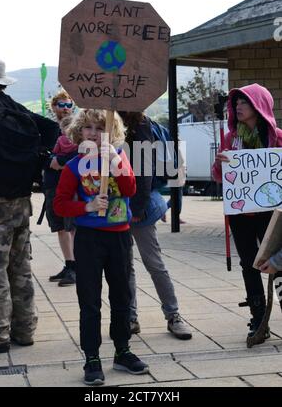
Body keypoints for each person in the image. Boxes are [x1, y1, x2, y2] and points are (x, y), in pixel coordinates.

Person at [53, 109, 149, 386]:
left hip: (119, 236)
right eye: (88, 128)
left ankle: (123, 350)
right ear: (79, 132)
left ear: (111, 133)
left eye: (100, 128)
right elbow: (59, 204)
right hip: (88, 239)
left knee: (121, 296)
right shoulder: (74, 166)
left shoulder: (119, 159)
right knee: (90, 301)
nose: (94, 133)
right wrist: (86, 205)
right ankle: (92, 357)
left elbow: (130, 190)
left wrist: (115, 160)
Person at [0, 57, 59, 353]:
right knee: (20, 266)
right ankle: (25, 329)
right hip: (21, 201)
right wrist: (37, 158)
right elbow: (52, 129)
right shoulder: (14, 107)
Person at [212, 83, 282, 342]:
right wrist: (219, 165)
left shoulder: (277, 137)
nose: (238, 106)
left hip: (271, 213)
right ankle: (258, 317)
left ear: (259, 106)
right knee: (249, 264)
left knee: (277, 261)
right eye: (236, 103)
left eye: (244, 102)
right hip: (240, 215)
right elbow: (219, 177)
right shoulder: (230, 139)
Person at [119, 112, 192, 340]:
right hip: (116, 204)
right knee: (125, 265)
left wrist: (138, 209)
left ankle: (172, 315)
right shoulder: (111, 117)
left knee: (152, 262)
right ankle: (131, 317)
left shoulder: (138, 123)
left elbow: (144, 169)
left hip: (134, 206)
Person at [43, 91, 77, 287]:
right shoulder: (48, 128)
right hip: (52, 184)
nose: (65, 108)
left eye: (68, 104)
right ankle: (69, 264)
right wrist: (51, 161)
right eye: (61, 104)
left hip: (72, 184)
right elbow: (41, 154)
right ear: (54, 107)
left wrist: (60, 161)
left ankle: (77, 267)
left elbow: (83, 151)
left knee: (71, 226)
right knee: (59, 227)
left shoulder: (79, 128)